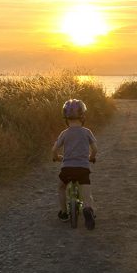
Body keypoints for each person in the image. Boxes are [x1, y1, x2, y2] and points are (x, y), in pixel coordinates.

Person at [51, 98, 98, 228]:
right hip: (83, 169)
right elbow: (95, 149)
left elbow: (54, 149)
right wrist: (91, 157)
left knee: (61, 187)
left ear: (65, 118)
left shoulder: (64, 133)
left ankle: (64, 213)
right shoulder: (87, 132)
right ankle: (88, 209)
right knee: (86, 193)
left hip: (67, 169)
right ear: (83, 116)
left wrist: (56, 157)